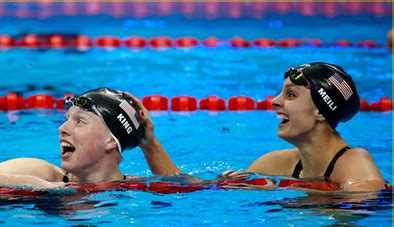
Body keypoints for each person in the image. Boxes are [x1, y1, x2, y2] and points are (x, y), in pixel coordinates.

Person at [141, 62, 386, 191]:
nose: (274, 101)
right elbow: (196, 188)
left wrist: (287, 190)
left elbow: (364, 206)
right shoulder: (277, 164)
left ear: (321, 110)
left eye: (290, 95)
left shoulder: (354, 162)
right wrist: (149, 143)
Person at [0, 87, 178, 188]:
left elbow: (185, 187)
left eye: (79, 121)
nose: (61, 129)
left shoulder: (135, 187)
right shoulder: (43, 173)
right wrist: (47, 189)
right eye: (66, 119)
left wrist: (149, 143)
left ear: (110, 141)